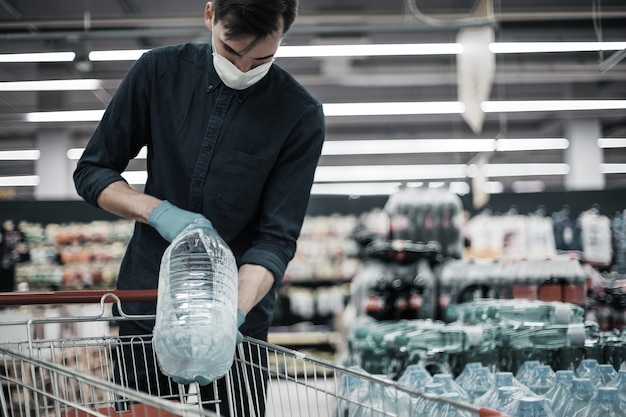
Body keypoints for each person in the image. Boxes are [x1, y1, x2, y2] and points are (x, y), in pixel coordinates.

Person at [73, 0, 325, 415]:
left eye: (262, 57)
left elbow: (276, 238)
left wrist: (229, 317)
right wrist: (158, 212)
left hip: (238, 319)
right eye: (230, 50)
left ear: (284, 32)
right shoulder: (158, 73)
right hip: (148, 304)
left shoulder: (299, 114)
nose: (243, 69)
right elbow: (93, 171)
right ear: (210, 15)